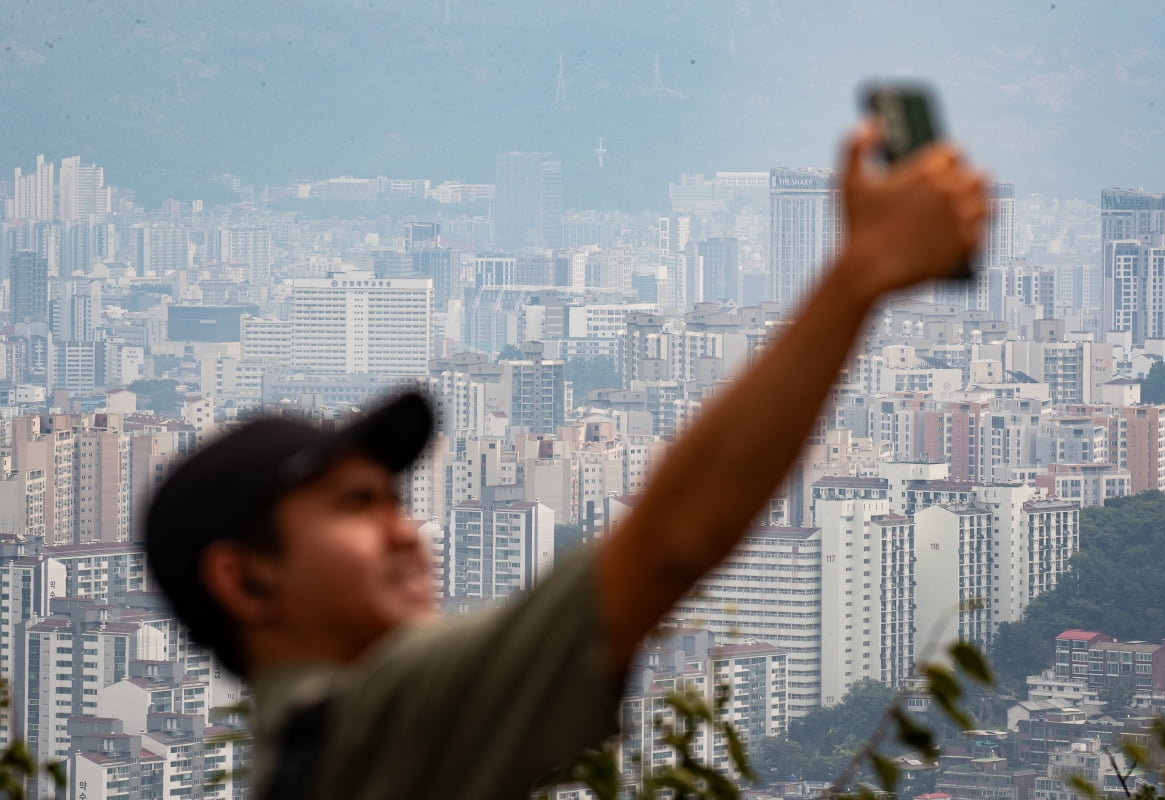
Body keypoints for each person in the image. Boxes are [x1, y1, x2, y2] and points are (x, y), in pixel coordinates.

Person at [144, 123, 987, 800]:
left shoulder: (335, 746)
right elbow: (665, 550)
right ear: (247, 582)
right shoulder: (366, 726)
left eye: (395, 500)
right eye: (356, 506)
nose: (407, 531)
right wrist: (861, 273)